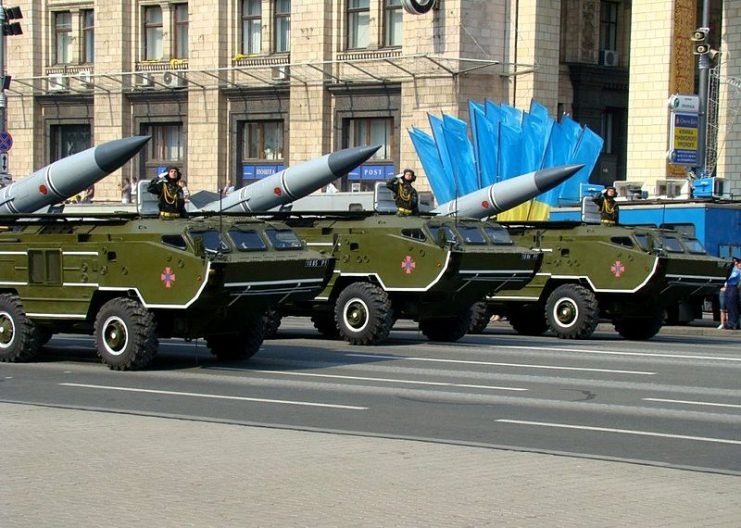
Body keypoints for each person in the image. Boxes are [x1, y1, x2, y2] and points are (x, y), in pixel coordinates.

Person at [722, 257, 741, 330]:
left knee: (732, 306)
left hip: (733, 288)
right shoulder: (733, 268)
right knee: (730, 306)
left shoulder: (738, 271)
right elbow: (727, 277)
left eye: (738, 262)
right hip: (730, 288)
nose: (736, 263)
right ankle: (732, 322)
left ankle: (732, 323)